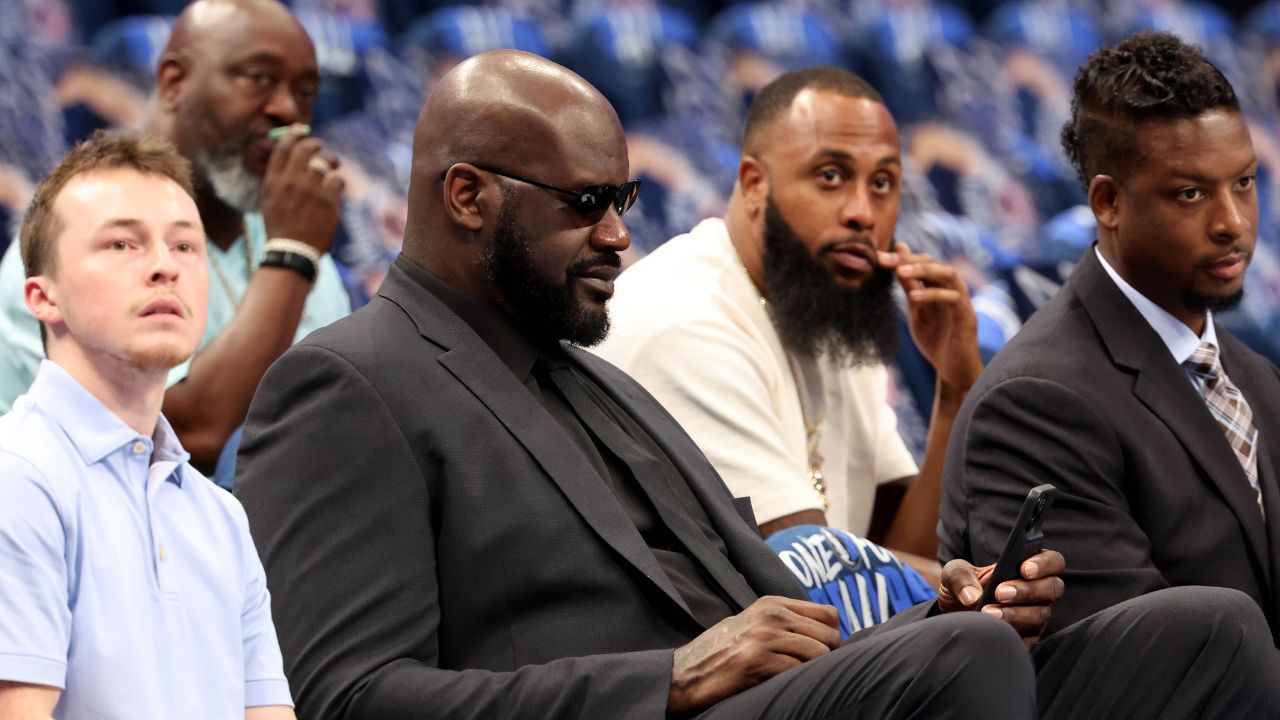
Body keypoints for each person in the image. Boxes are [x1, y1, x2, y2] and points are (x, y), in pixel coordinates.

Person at [234, 50, 1280, 720]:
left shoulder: (590, 377)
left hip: (766, 683)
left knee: (1201, 633)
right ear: (467, 196)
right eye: (586, 202)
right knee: (961, 672)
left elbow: (779, 588)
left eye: (625, 199)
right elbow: (349, 696)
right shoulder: (347, 381)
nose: (615, 232)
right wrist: (670, 676)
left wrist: (936, 604)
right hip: (664, 708)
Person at [939, 30, 1280, 644]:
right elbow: (1143, 667)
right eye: (1191, 193)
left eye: (1245, 183)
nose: (1233, 223)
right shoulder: (1038, 402)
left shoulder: (1257, 378)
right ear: (1107, 202)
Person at [593, 68, 980, 585]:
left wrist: (956, 391)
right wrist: (982, 595)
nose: (863, 213)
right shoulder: (685, 321)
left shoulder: (829, 313)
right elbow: (812, 576)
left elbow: (896, 549)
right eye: (830, 177)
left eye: (883, 183)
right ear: (754, 184)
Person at [0, 132, 294, 719]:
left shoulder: (220, 516)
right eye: (121, 244)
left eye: (186, 247)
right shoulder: (17, 477)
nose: (165, 267)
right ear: (41, 296)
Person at [0, 0, 351, 473]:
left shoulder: (308, 256)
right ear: (172, 81)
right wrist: (291, 257)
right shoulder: (68, 243)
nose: (288, 110)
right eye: (259, 78)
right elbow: (178, 439)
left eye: (305, 93)